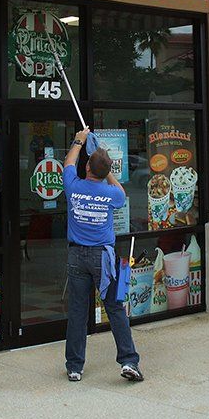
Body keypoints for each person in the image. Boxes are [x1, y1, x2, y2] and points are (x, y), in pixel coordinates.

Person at [63, 126, 143, 383]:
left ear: (87, 168)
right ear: (107, 172)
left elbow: (68, 162)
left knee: (77, 311)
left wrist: (80, 140)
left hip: (77, 257)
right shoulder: (111, 194)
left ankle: (75, 367)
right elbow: (120, 192)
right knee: (115, 309)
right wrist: (108, 173)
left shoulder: (73, 186)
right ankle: (129, 361)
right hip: (103, 259)